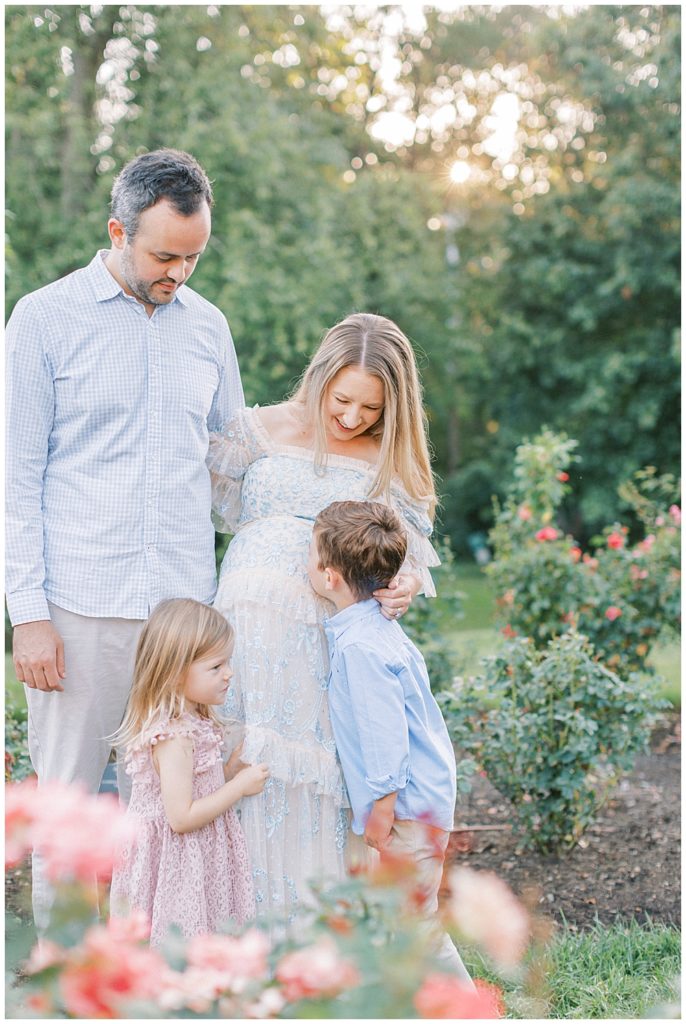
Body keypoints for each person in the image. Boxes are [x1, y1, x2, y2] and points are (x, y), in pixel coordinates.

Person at [5, 148, 244, 929]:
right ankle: (67, 986)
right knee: (70, 816)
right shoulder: (43, 319)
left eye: (194, 256)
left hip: (181, 618)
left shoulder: (209, 327)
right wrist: (26, 612)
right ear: (117, 230)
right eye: (164, 255)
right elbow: (15, 476)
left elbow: (229, 464)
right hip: (80, 608)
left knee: (172, 818)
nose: (180, 271)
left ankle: (157, 984)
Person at [207, 311, 440, 928]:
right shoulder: (255, 430)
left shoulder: (388, 456)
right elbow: (195, 503)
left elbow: (410, 550)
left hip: (332, 645)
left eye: (371, 408)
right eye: (342, 400)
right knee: (241, 768)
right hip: (243, 640)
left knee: (312, 779)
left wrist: (405, 585)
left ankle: (314, 939)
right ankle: (235, 934)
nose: (352, 418)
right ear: (319, 378)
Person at [308, 499, 473, 984]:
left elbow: (385, 739)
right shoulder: (372, 628)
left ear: (329, 575)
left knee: (416, 923)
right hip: (418, 800)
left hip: (407, 809)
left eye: (311, 554)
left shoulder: (361, 646)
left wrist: (382, 810)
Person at [110, 599, 269, 947]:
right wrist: (239, 787)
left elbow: (197, 790)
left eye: (227, 662)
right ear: (175, 672)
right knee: (180, 941)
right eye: (215, 667)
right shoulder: (174, 739)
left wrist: (228, 771)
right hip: (176, 862)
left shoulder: (194, 723)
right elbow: (181, 817)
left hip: (196, 853)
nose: (228, 673)